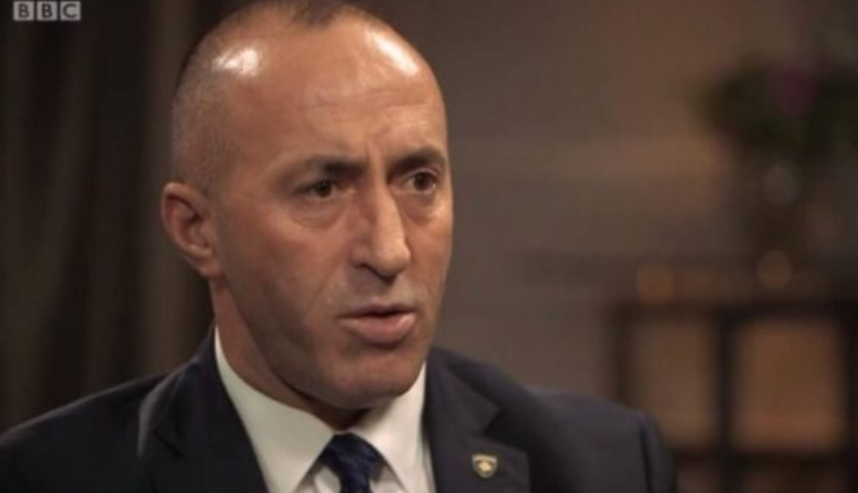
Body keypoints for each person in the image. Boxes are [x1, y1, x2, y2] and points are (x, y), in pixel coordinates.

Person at [0, 1, 679, 492]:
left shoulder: (612, 465)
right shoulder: (47, 476)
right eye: (322, 189)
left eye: (419, 181)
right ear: (196, 230)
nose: (389, 250)